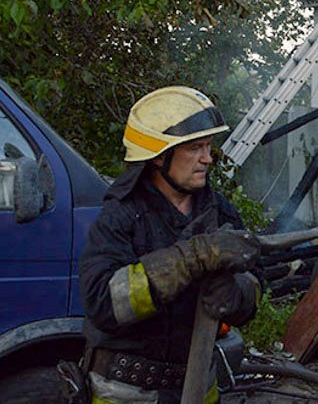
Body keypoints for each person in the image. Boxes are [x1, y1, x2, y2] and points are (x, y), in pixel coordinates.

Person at [79, 86, 261, 403]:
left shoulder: (219, 212)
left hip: (198, 386)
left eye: (208, 147)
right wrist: (188, 259)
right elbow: (104, 302)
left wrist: (239, 294)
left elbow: (256, 281)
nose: (207, 158)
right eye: (194, 148)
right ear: (159, 156)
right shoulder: (121, 217)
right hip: (126, 391)